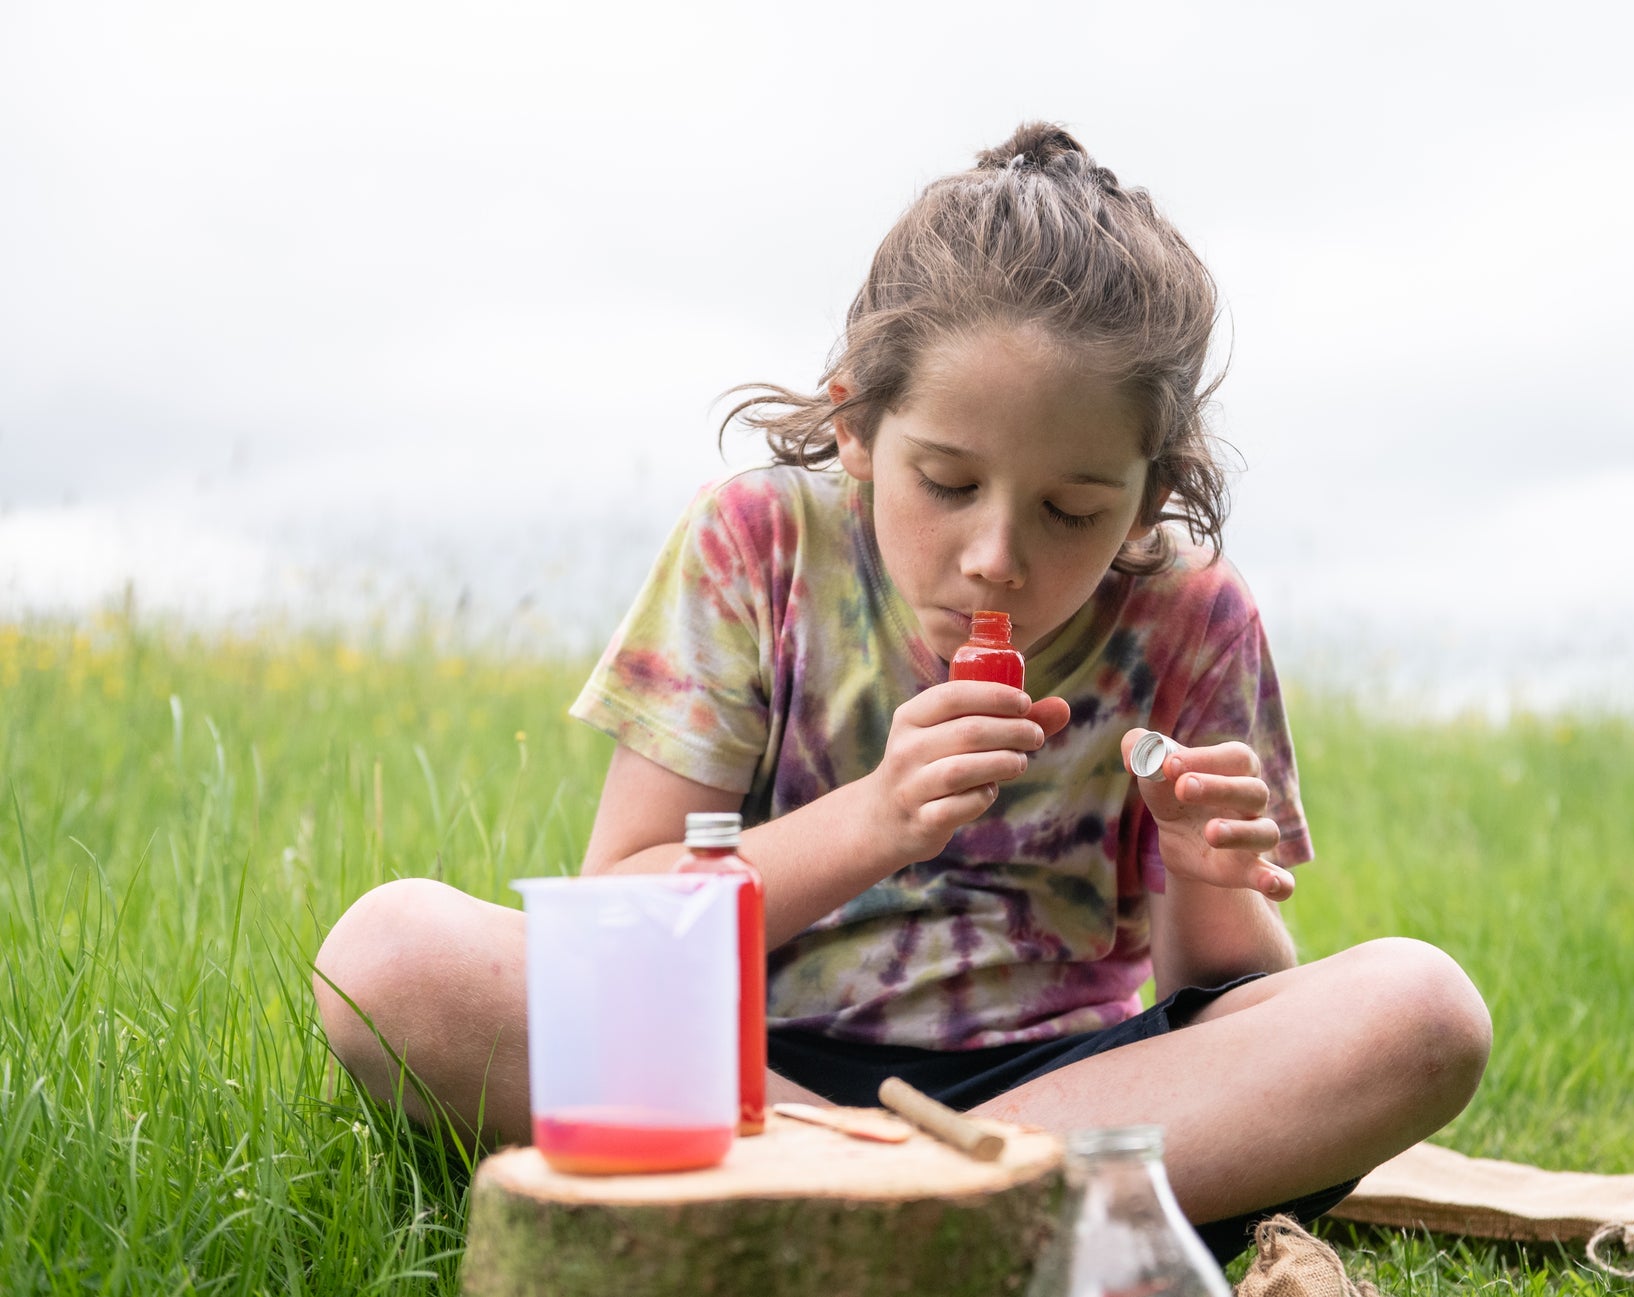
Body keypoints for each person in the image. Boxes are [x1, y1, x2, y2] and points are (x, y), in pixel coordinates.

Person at [313, 121, 1492, 1262]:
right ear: (856, 426)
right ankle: (936, 1205)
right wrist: (874, 818)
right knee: (389, 954)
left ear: (1145, 499)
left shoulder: (1189, 613)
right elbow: (619, 919)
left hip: (1068, 1090)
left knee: (1422, 1012)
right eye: (946, 480)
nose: (995, 555)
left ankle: (889, 1206)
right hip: (746, 1073)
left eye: (1071, 512)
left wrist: (1195, 866)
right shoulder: (756, 545)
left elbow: (1219, 1003)